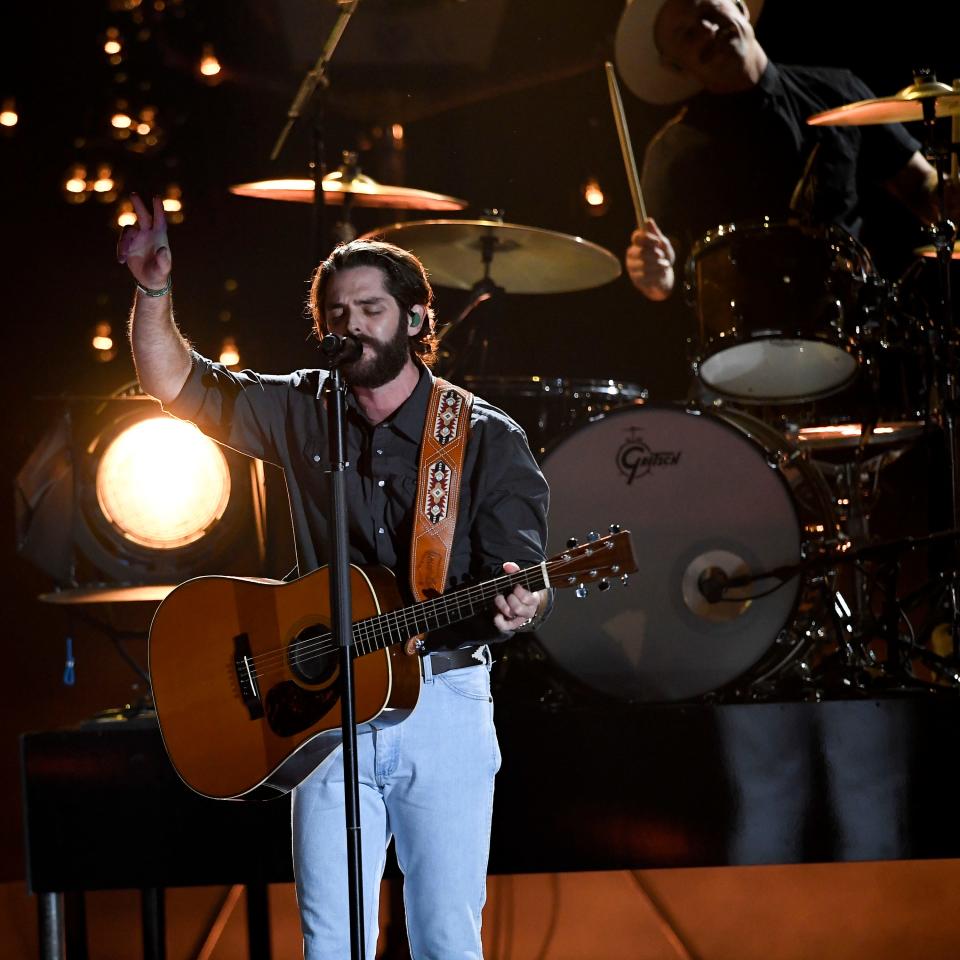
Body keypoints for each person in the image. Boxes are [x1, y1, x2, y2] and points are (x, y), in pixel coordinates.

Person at [117, 193, 553, 959]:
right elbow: (176, 384)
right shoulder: (304, 406)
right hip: (321, 712)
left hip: (440, 697)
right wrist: (153, 291)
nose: (352, 324)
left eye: (372, 309)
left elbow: (520, 577)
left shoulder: (483, 437)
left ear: (416, 320)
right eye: (338, 313)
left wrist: (523, 601)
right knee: (330, 943)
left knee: (445, 939)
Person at [615, 0, 948, 304]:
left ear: (740, 6)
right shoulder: (670, 151)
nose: (706, 31)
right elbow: (664, 259)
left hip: (856, 325)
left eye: (708, 12)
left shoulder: (837, 89)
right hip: (744, 351)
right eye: (686, 34)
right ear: (675, 66)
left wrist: (950, 195)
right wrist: (654, 272)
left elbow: (920, 185)